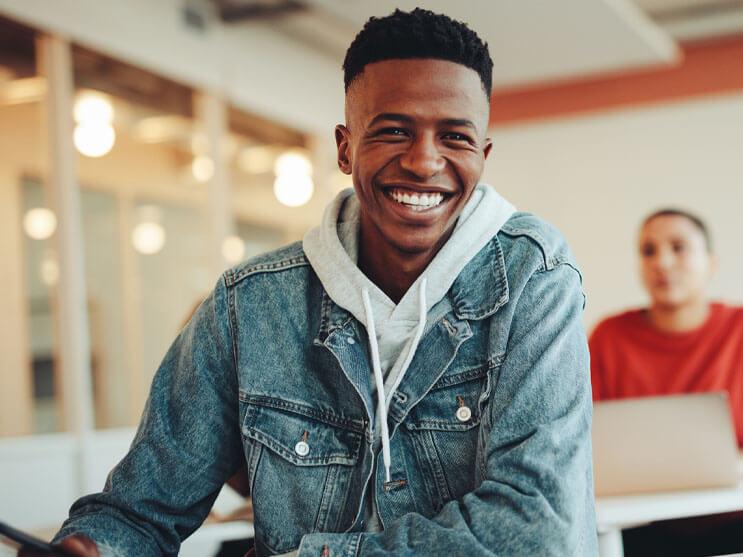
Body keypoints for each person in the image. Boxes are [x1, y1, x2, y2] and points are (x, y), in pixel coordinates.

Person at [26, 9, 596, 557]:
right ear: (346, 148)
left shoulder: (533, 277)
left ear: (483, 154)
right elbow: (138, 513)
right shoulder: (246, 308)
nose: (425, 162)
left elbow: (537, 531)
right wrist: (96, 547)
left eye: (455, 137)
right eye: (394, 131)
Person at [590, 208, 743, 556]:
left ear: (711, 262)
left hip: (733, 517)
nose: (662, 262)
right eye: (648, 251)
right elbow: (587, 438)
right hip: (642, 524)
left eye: (679, 247)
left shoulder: (739, 328)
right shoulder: (610, 337)